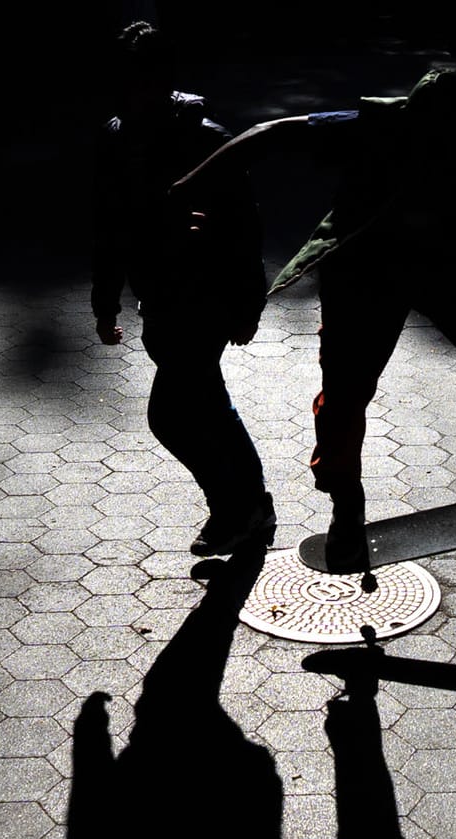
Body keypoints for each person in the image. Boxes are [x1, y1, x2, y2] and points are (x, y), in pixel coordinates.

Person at [173, 64, 456, 568]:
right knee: (345, 397)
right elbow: (269, 134)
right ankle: (346, 503)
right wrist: (181, 192)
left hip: (449, 268)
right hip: (365, 270)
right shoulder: (391, 129)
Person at [91, 21, 274, 558]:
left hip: (207, 298)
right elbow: (108, 227)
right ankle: (253, 508)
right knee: (209, 405)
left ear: (166, 79)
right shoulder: (115, 137)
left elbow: (246, 229)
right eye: (126, 82)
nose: (135, 94)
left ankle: (231, 512)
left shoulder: (207, 139)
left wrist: (248, 306)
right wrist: (105, 303)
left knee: (170, 415)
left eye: (145, 80)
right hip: (159, 300)